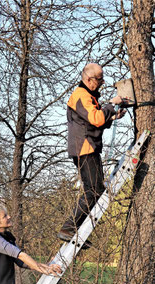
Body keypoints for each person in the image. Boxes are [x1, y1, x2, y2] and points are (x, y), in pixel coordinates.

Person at [58, 63, 127, 246]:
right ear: (88, 79)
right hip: (85, 148)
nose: (102, 83)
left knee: (96, 191)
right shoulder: (81, 95)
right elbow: (96, 119)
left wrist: (112, 116)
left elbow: (93, 121)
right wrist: (112, 104)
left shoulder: (87, 95)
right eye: (99, 79)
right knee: (94, 191)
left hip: (87, 147)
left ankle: (76, 230)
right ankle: (69, 228)